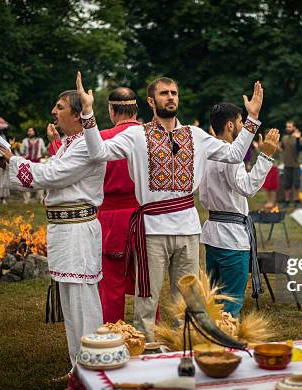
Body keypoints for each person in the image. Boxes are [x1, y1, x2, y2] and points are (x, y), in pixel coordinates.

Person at [80, 73, 264, 341]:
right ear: (151, 101)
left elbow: (235, 154)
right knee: (147, 299)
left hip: (188, 229)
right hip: (152, 229)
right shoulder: (136, 135)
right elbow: (98, 153)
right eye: (164, 93)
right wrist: (87, 114)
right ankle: (144, 352)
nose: (170, 97)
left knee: (187, 299)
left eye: (174, 93)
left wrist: (252, 120)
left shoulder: (196, 135)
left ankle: (183, 349)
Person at [0, 83, 106, 390]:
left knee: (83, 305)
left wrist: (11, 160)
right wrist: (8, 161)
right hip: (64, 230)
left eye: (59, 106)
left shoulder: (84, 145)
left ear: (77, 112)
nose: (53, 112)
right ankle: (77, 371)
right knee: (70, 304)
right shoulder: (69, 143)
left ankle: (92, 377)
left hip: (78, 230)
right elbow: (49, 170)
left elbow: (51, 175)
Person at [46, 86, 142, 324]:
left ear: (111, 110)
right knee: (147, 283)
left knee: (111, 283)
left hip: (110, 217)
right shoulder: (150, 135)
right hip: (144, 215)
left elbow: (74, 165)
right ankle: (150, 338)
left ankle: (110, 336)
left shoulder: (100, 138)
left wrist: (56, 145)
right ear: (136, 109)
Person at [200, 102, 280, 316]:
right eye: (240, 121)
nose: (242, 125)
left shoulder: (206, 153)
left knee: (213, 299)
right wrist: (266, 157)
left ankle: (210, 341)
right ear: (229, 125)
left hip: (212, 234)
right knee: (231, 302)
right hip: (231, 238)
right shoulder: (228, 154)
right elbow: (248, 187)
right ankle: (226, 341)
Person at [20, 127, 46, 203]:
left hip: (38, 163)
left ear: (35, 132)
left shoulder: (40, 140)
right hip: (28, 163)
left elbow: (44, 151)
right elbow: (22, 151)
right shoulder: (25, 141)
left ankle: (40, 198)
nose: (29, 132)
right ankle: (26, 199)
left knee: (39, 180)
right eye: (28, 131)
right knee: (26, 181)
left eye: (31, 131)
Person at [280, 121, 302, 208]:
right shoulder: (284, 137)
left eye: (290, 127)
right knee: (287, 184)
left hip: (296, 164)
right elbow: (282, 148)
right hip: (286, 164)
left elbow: (300, 149)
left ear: (294, 128)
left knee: (296, 184)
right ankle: (287, 201)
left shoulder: (298, 138)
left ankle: (296, 200)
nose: (288, 128)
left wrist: (298, 138)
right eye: (287, 127)